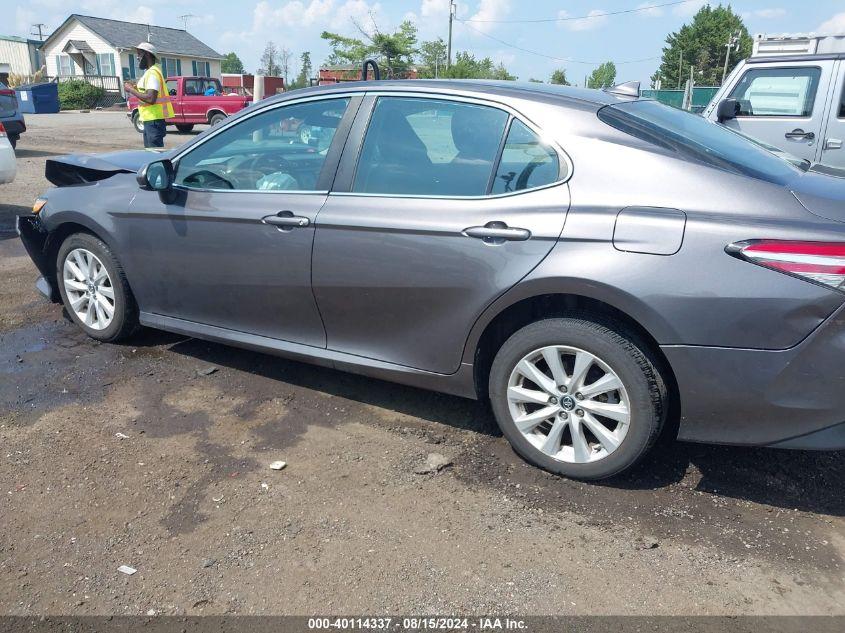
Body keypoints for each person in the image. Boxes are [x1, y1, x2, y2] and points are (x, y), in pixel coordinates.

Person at [123, 43, 174, 148]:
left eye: (139, 54)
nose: (137, 58)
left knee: (154, 153)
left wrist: (131, 90)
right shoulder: (150, 73)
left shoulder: (152, 73)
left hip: (153, 120)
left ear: (147, 55)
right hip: (150, 120)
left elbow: (151, 98)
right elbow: (148, 94)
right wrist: (136, 89)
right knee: (150, 153)